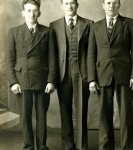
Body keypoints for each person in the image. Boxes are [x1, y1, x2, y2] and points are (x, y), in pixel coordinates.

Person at [87, 0, 133, 150]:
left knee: (125, 115)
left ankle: (127, 147)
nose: (111, 6)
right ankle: (105, 147)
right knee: (104, 115)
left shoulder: (129, 23)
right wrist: (92, 79)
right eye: (108, 3)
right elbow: (91, 55)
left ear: (119, 5)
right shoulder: (95, 26)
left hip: (125, 75)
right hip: (102, 75)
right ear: (103, 5)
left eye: (115, 3)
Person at [6, 0, 57, 150]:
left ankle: (42, 146)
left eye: (35, 10)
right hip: (22, 80)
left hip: (42, 80)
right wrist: (13, 82)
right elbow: (10, 60)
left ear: (39, 12)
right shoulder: (14, 32)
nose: (32, 14)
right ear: (23, 13)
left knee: (42, 116)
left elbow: (52, 59)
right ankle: (28, 146)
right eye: (28, 10)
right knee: (25, 116)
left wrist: (51, 81)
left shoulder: (47, 32)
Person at [49, 0, 93, 149]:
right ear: (62, 6)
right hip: (63, 75)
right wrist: (53, 78)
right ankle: (68, 145)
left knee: (82, 110)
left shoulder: (89, 24)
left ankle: (81, 145)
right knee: (65, 110)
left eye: (72, 3)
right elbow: (52, 55)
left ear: (77, 5)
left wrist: (91, 77)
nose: (69, 6)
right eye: (66, 3)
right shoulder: (54, 26)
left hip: (82, 74)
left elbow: (91, 53)